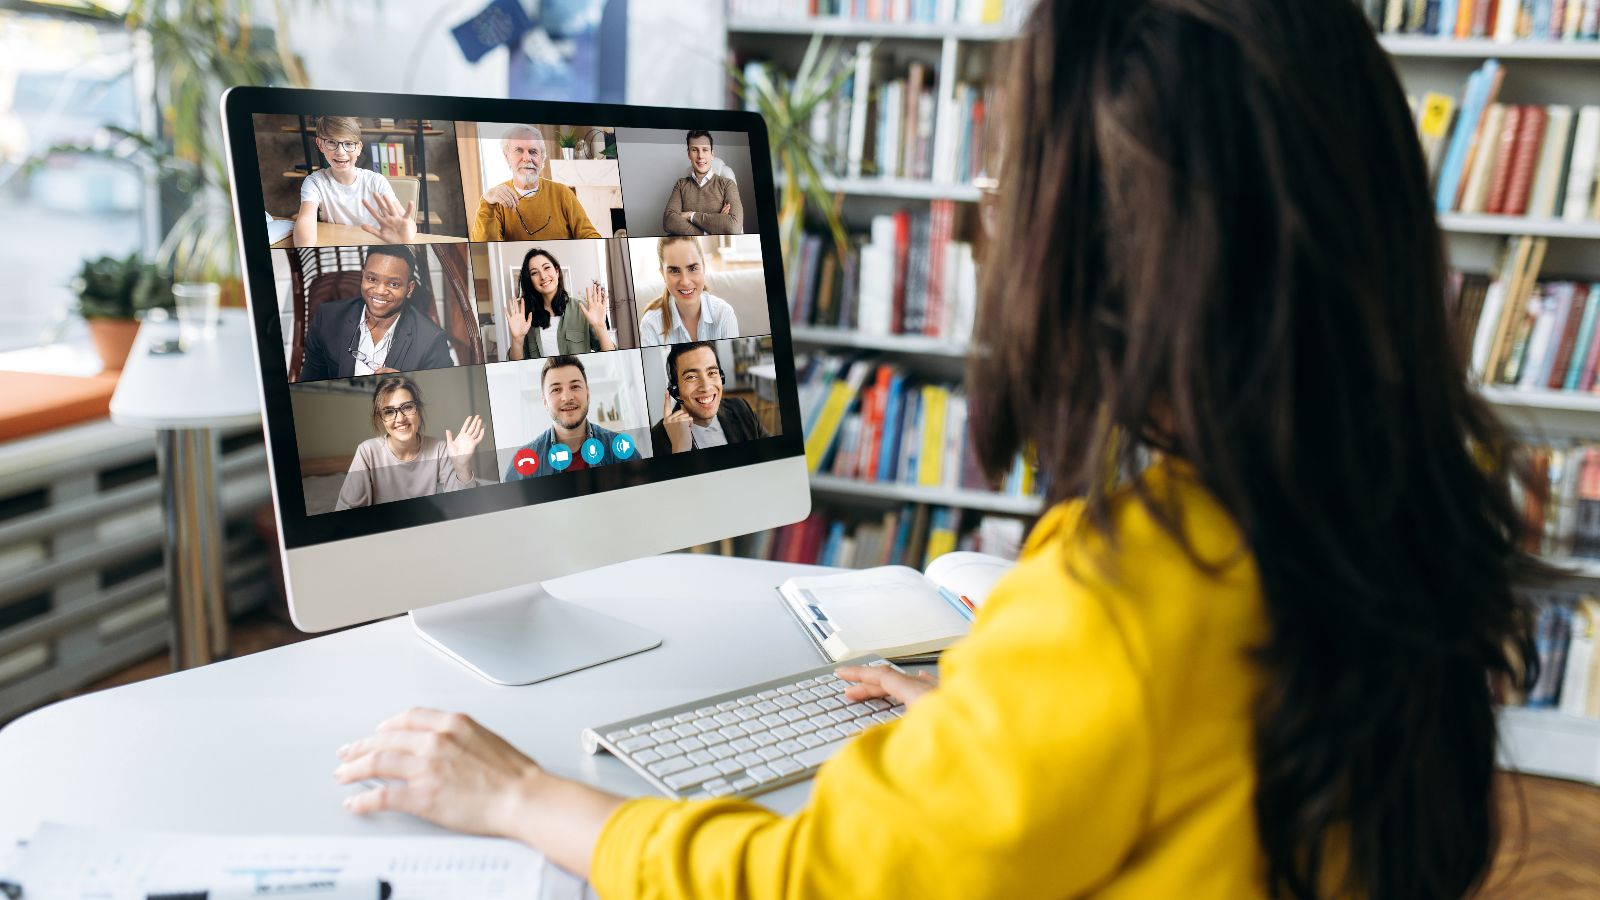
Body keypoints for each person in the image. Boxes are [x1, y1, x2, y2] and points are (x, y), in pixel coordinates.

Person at [334, 1, 1541, 897]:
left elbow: (820, 882)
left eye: (1013, 176)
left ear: (1111, 261)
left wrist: (528, 797)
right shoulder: (1396, 514)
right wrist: (1000, 723)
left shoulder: (1126, 601)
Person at [298, 246, 455, 382]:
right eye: (372, 279)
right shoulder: (327, 318)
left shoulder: (432, 340)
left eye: (393, 284)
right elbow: (309, 382)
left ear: (409, 289)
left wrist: (407, 386)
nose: (380, 291)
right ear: (363, 277)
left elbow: (443, 397)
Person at [333, 377, 484, 510]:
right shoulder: (367, 452)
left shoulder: (439, 449)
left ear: (418, 410)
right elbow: (345, 510)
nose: (400, 419)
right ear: (381, 418)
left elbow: (465, 505)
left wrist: (461, 466)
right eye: (389, 411)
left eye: (407, 407)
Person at [292, 116, 417, 247]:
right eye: (331, 142)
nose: (340, 152)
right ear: (320, 144)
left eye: (349, 144)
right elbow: (306, 220)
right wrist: (305, 250)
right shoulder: (315, 182)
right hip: (338, 248)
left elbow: (406, 223)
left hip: (373, 248)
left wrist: (406, 233)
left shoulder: (376, 181)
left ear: (359, 148)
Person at [502, 356, 626, 481]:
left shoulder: (620, 449)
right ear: (545, 402)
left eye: (575, 387)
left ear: (588, 395)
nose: (567, 397)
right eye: (556, 389)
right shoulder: (523, 465)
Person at [470, 125, 602, 241]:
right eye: (519, 151)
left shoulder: (563, 193)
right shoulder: (496, 201)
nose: (527, 158)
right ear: (507, 157)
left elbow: (590, 236)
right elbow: (485, 247)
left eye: (533, 152)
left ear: (542, 158)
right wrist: (487, 202)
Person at [650, 342, 766, 453]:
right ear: (676, 390)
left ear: (721, 377)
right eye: (691, 377)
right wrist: (680, 450)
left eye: (712, 372)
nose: (706, 387)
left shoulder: (741, 408)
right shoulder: (655, 440)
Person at [503, 247, 616, 360]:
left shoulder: (582, 310)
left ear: (557, 271)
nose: (543, 276)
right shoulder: (526, 319)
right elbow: (517, 366)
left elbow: (611, 359)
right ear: (530, 281)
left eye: (546, 268)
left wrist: (600, 327)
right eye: (534, 273)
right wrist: (517, 340)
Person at [637, 237, 739, 347]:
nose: (685, 282)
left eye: (692, 268)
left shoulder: (724, 314)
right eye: (674, 271)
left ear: (704, 268)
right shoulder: (651, 324)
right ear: (663, 274)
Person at [663, 130, 743, 235]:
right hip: (687, 248)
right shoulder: (681, 184)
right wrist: (712, 229)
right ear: (689, 155)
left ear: (712, 154)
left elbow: (733, 227)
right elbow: (669, 222)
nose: (700, 156)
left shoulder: (727, 184)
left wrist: (690, 215)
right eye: (694, 150)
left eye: (705, 150)